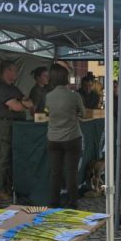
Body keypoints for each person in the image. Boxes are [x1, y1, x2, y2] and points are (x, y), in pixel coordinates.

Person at [0, 60, 35, 201]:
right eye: (15, 70)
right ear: (7, 71)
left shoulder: (13, 88)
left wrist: (22, 103)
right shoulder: (1, 88)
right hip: (7, 125)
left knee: (14, 157)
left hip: (18, 125)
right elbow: (17, 106)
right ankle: (0, 189)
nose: (16, 73)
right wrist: (22, 104)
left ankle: (11, 187)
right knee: (5, 157)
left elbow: (27, 102)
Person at [45, 64, 85, 208]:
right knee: (71, 171)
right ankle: (72, 202)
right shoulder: (74, 96)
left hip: (53, 138)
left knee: (55, 172)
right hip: (72, 137)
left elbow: (47, 113)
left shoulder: (48, 96)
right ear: (66, 78)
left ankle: (54, 202)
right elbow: (83, 114)